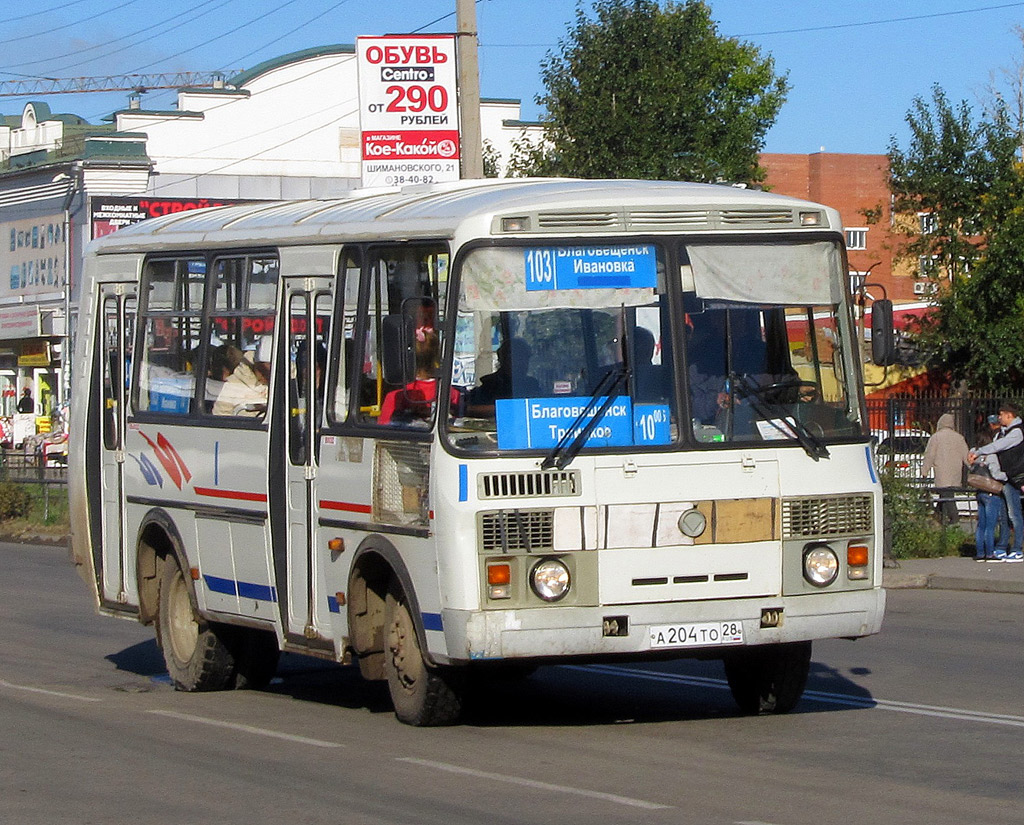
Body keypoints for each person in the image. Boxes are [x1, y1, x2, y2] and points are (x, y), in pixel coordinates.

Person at [968, 401, 1024, 562]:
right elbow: (993, 445)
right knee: (1004, 515)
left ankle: (1017, 549)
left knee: (1014, 514)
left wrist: (979, 452)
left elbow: (998, 446)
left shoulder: (1016, 433)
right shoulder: (1004, 432)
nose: (999, 417)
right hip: (1006, 477)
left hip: (1014, 477)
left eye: (1001, 415)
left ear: (1009, 415)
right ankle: (1002, 546)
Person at [379, 328, 458, 425]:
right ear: (436, 357)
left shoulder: (396, 397)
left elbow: (383, 432)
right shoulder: (449, 393)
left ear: (408, 359)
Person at [466, 337, 542, 413]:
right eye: (516, 358)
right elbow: (470, 410)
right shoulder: (489, 386)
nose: (521, 363)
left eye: (525, 358)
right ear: (502, 359)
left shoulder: (532, 385)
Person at [969, 421, 1009, 562]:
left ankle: (979, 553)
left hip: (979, 491)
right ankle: (990, 552)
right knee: (990, 526)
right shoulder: (990, 455)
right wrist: (1007, 476)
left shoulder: (973, 453)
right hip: (991, 492)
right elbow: (996, 474)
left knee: (981, 524)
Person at [922, 412, 969, 525]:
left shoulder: (936, 437)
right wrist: (973, 467)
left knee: (946, 495)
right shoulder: (959, 438)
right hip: (955, 471)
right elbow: (966, 456)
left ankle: (954, 518)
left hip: (942, 471)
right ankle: (939, 516)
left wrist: (925, 471)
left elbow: (930, 455)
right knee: (947, 494)